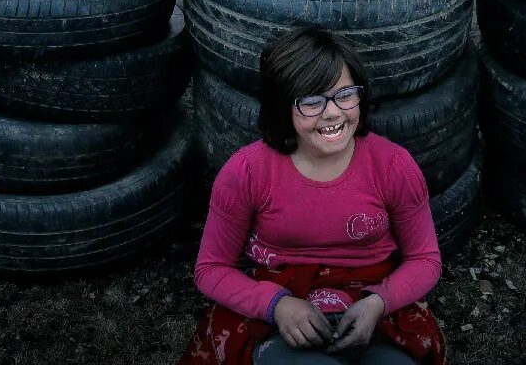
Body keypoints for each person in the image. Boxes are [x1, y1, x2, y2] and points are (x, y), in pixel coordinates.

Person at [179, 28, 447, 365]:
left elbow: (425, 259)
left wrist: (378, 301)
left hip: (374, 305)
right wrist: (277, 305)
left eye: (345, 94)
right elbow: (211, 268)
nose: (333, 112)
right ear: (282, 106)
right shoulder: (246, 172)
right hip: (281, 308)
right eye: (311, 101)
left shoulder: (393, 166)